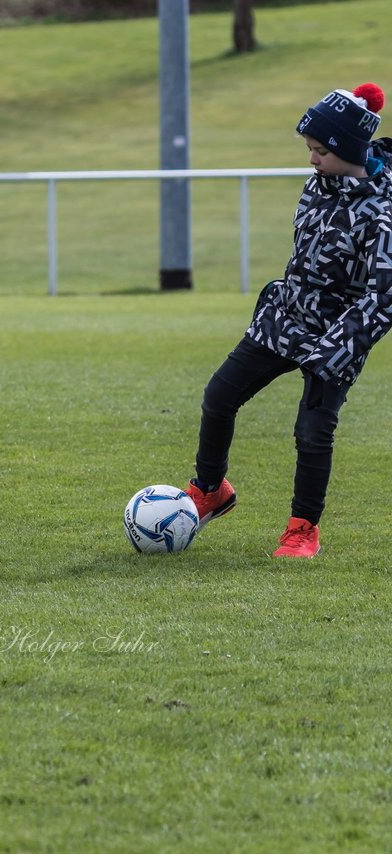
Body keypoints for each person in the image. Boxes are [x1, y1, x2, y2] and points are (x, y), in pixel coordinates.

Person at [185, 82, 392, 559]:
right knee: (219, 396)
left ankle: (302, 530)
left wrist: (335, 351)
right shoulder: (317, 185)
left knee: (312, 432)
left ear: (349, 149)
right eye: (309, 149)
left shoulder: (382, 213)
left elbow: (382, 299)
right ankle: (210, 491)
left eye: (320, 151)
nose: (312, 159)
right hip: (284, 319)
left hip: (337, 337)